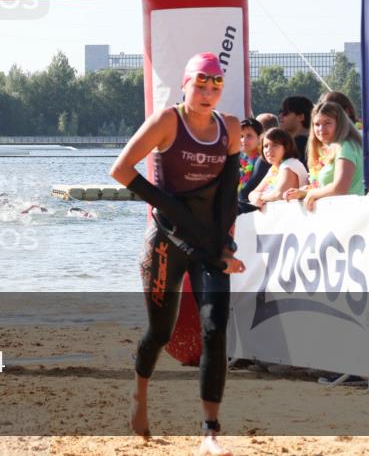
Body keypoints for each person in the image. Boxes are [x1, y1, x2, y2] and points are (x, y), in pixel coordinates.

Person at [109, 52, 244, 456]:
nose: (206, 94)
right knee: (160, 333)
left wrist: (225, 246)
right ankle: (140, 394)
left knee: (216, 329)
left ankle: (210, 432)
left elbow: (228, 196)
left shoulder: (230, 128)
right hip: (166, 242)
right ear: (184, 85)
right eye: (199, 85)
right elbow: (120, 170)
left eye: (214, 86)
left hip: (207, 242)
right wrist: (172, 208)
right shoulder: (167, 121)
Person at [285, 101, 365, 211]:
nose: (321, 129)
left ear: (339, 124)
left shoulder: (345, 146)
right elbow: (325, 188)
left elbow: (340, 188)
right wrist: (304, 193)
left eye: (327, 123)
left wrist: (312, 193)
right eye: (317, 124)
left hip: (349, 215)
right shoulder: (327, 148)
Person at [248, 128, 308, 208]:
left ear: (286, 147)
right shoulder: (274, 168)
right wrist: (255, 196)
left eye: (275, 145)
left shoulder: (289, 164)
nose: (268, 150)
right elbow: (252, 193)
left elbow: (279, 194)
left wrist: (260, 197)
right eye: (265, 146)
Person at [237, 118, 268, 212]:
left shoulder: (264, 160)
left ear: (259, 138)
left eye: (249, 136)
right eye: (241, 136)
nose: (243, 140)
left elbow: (245, 192)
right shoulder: (237, 159)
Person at [279, 95, 314, 167]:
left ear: (301, 117)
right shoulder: (310, 139)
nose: (281, 115)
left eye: (285, 112)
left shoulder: (300, 142)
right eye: (280, 112)